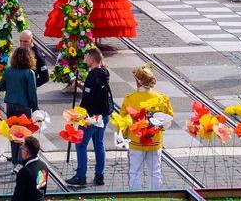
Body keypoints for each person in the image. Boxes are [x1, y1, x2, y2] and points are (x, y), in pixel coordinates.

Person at [120, 65, 171, 189]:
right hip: (155, 140)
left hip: (136, 141)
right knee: (155, 171)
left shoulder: (130, 99)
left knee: (135, 172)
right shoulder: (162, 98)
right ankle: (156, 196)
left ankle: (135, 196)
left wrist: (124, 135)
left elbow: (123, 121)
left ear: (138, 81)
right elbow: (168, 118)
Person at [67, 48, 111, 187]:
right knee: (99, 145)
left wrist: (78, 116)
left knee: (80, 144)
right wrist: (80, 84)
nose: (84, 58)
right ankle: (100, 176)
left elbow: (87, 100)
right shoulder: (104, 73)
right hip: (103, 116)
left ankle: (81, 176)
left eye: (86, 56)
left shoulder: (92, 76)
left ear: (92, 59)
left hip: (92, 118)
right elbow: (95, 92)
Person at [2, 44, 41, 165]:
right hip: (23, 107)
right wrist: (36, 109)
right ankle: (21, 157)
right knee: (23, 134)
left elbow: (2, 86)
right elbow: (32, 93)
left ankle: (14, 157)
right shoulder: (29, 73)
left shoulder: (8, 71)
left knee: (13, 133)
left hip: (10, 106)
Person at [12, 136, 47, 201]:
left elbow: (18, 195)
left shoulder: (25, 171)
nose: (21, 150)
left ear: (26, 152)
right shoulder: (43, 165)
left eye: (22, 148)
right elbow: (42, 189)